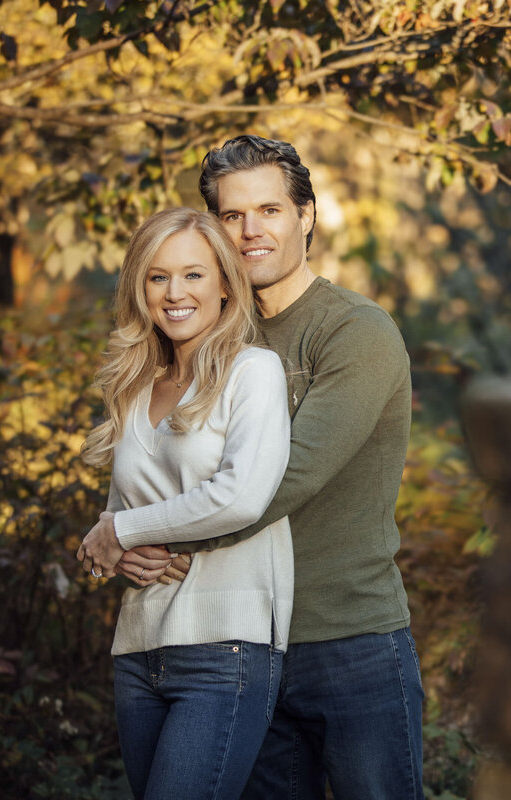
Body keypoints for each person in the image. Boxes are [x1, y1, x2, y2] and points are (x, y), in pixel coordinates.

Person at [104, 135, 422, 799]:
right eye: (231, 215)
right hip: (237, 640)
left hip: (347, 633)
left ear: (306, 215)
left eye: (271, 210)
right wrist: (124, 531)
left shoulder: (354, 331)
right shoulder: (212, 337)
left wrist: (147, 535)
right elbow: (163, 465)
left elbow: (287, 476)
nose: (252, 231)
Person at [75, 207, 294, 800]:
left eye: (193, 275)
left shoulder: (254, 372)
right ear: (139, 288)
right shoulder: (133, 386)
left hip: (226, 646)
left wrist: (119, 529)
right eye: (157, 277)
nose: (175, 294)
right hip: (140, 646)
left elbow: (241, 496)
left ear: (226, 282)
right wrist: (112, 554)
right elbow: (116, 518)